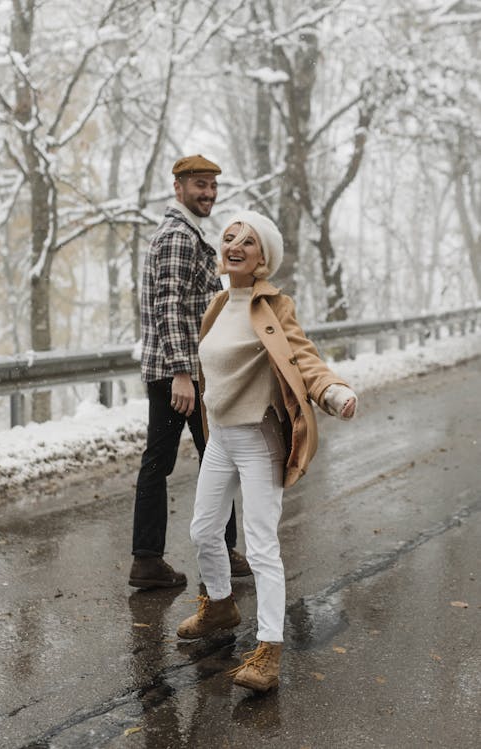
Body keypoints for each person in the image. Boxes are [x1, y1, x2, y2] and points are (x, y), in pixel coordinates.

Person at [176, 210, 358, 691]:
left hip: (259, 437)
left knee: (260, 546)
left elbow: (303, 358)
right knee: (203, 531)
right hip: (221, 439)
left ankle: (268, 652)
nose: (234, 244)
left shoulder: (273, 306)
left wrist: (334, 392)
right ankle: (219, 606)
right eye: (230, 236)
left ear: (263, 259)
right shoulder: (218, 304)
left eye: (248, 241)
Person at [129, 155, 251, 590]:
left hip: (184, 371)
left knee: (179, 459)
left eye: (213, 186)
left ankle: (152, 559)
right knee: (215, 456)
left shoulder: (186, 233)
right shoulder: (179, 236)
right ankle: (211, 552)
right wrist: (183, 373)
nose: (208, 194)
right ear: (178, 187)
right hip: (181, 374)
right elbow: (169, 306)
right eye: (200, 185)